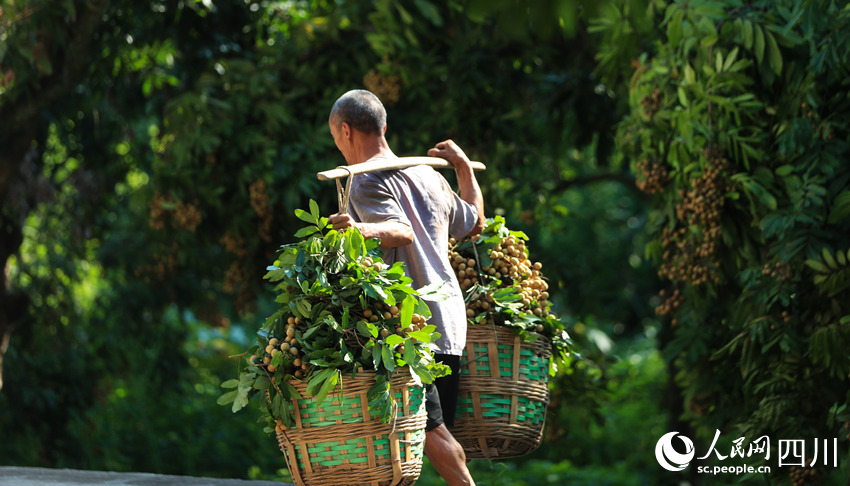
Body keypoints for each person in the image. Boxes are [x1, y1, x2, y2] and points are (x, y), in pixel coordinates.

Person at [327, 89, 484, 486]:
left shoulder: (362, 181)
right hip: (448, 322)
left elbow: (400, 231)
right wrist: (463, 168)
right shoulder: (429, 175)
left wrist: (359, 229)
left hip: (413, 330)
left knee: (430, 434)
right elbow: (475, 223)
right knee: (425, 432)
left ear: (345, 131)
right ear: (383, 127)